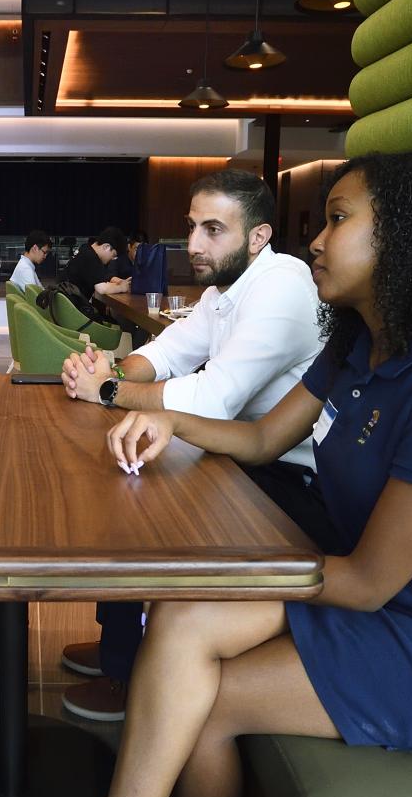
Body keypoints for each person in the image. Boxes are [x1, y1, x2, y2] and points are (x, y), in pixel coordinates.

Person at [101, 152, 412, 797]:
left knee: (202, 701)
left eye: (338, 220)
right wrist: (166, 420)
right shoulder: (359, 345)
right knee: (180, 615)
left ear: (409, 238)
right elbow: (262, 440)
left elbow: (370, 582)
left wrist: (231, 571)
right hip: (380, 604)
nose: (315, 240)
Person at [57, 170, 325, 721]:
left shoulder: (284, 286)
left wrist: (107, 390)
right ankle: (120, 649)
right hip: (241, 456)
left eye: (213, 230)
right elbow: (167, 353)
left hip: (295, 485)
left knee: (140, 491)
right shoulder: (222, 291)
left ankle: (132, 675)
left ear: (258, 236)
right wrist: (107, 365)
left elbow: (210, 399)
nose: (194, 244)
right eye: (191, 227)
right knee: (126, 476)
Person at [61, 226, 131, 301]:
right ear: (106, 247)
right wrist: (121, 288)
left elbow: (101, 280)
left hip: (63, 305)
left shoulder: (85, 249)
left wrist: (119, 283)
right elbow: (101, 288)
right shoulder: (92, 257)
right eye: (113, 255)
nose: (112, 259)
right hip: (72, 308)